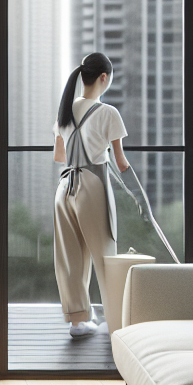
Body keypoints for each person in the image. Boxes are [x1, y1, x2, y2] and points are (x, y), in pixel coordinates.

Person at [52, 52, 150, 338]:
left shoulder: (64, 112)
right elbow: (121, 163)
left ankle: (77, 322)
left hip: (64, 187)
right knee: (105, 253)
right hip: (93, 183)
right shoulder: (108, 112)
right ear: (103, 78)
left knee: (71, 256)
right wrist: (140, 198)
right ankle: (115, 320)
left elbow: (60, 155)